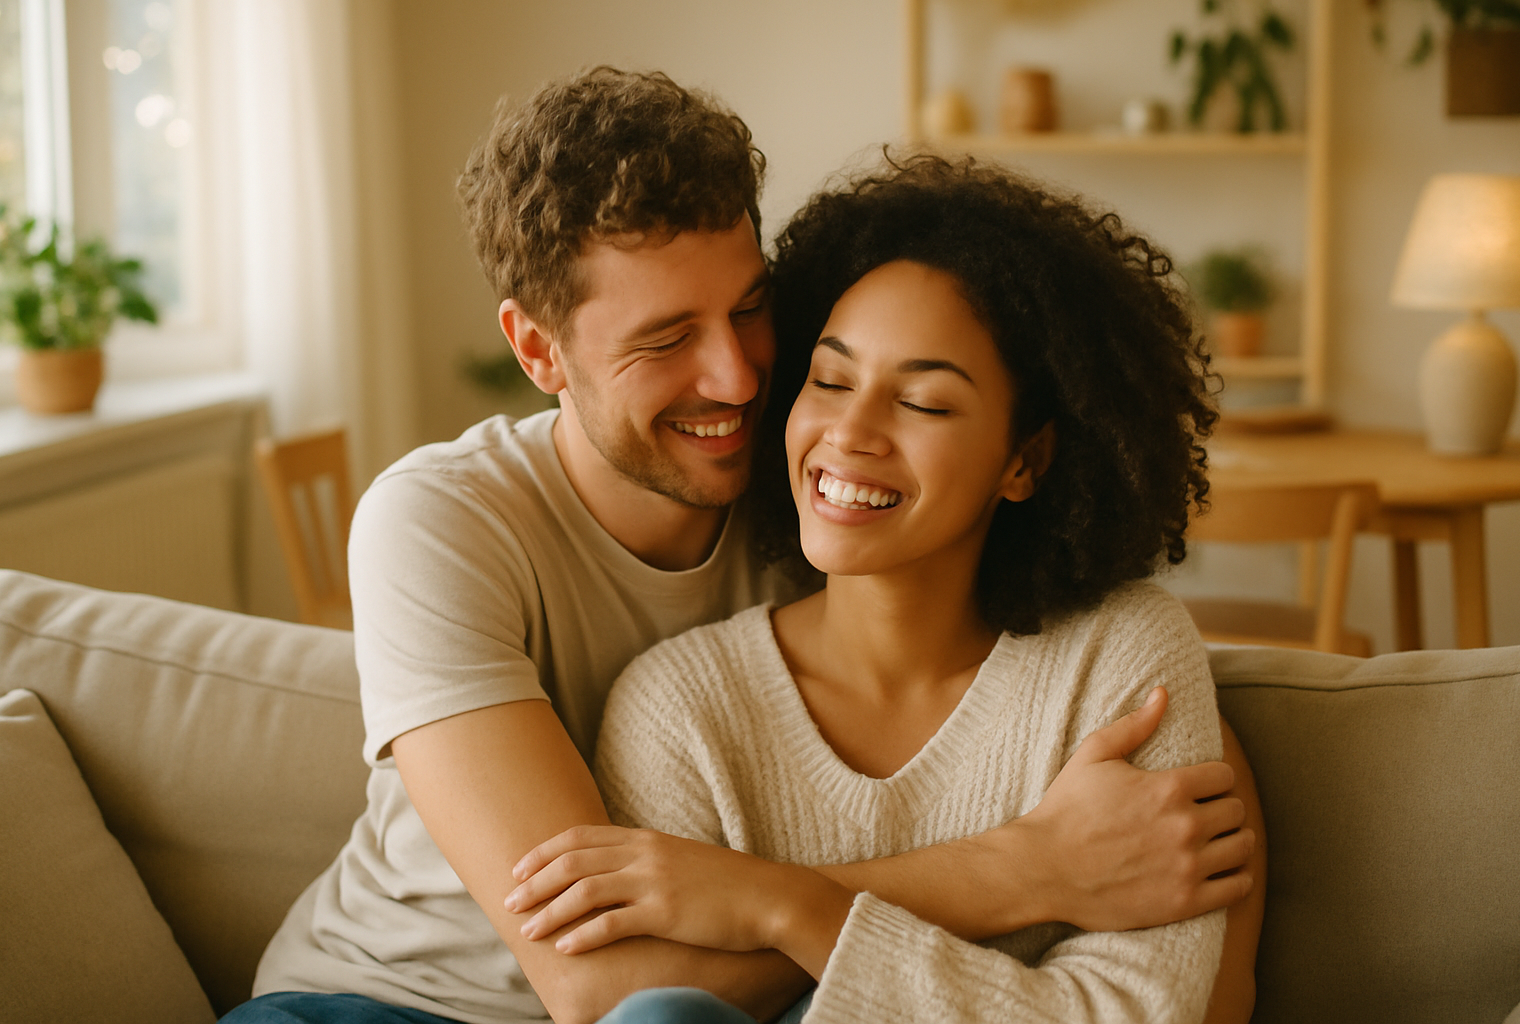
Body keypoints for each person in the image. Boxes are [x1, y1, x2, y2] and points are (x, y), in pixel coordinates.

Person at [225, 69, 1260, 1024]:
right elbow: (598, 980)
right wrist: (1027, 869)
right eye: (667, 340)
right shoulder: (442, 523)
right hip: (385, 1002)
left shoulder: (822, 487)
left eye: (754, 311)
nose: (736, 378)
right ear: (538, 348)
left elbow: (1123, 732)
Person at [503, 154, 1261, 1024]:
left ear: (1025, 459)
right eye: (828, 381)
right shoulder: (680, 708)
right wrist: (1028, 871)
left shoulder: (1121, 660)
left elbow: (1139, 1013)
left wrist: (779, 906)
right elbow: (638, 1003)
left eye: (926, 404)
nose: (850, 432)